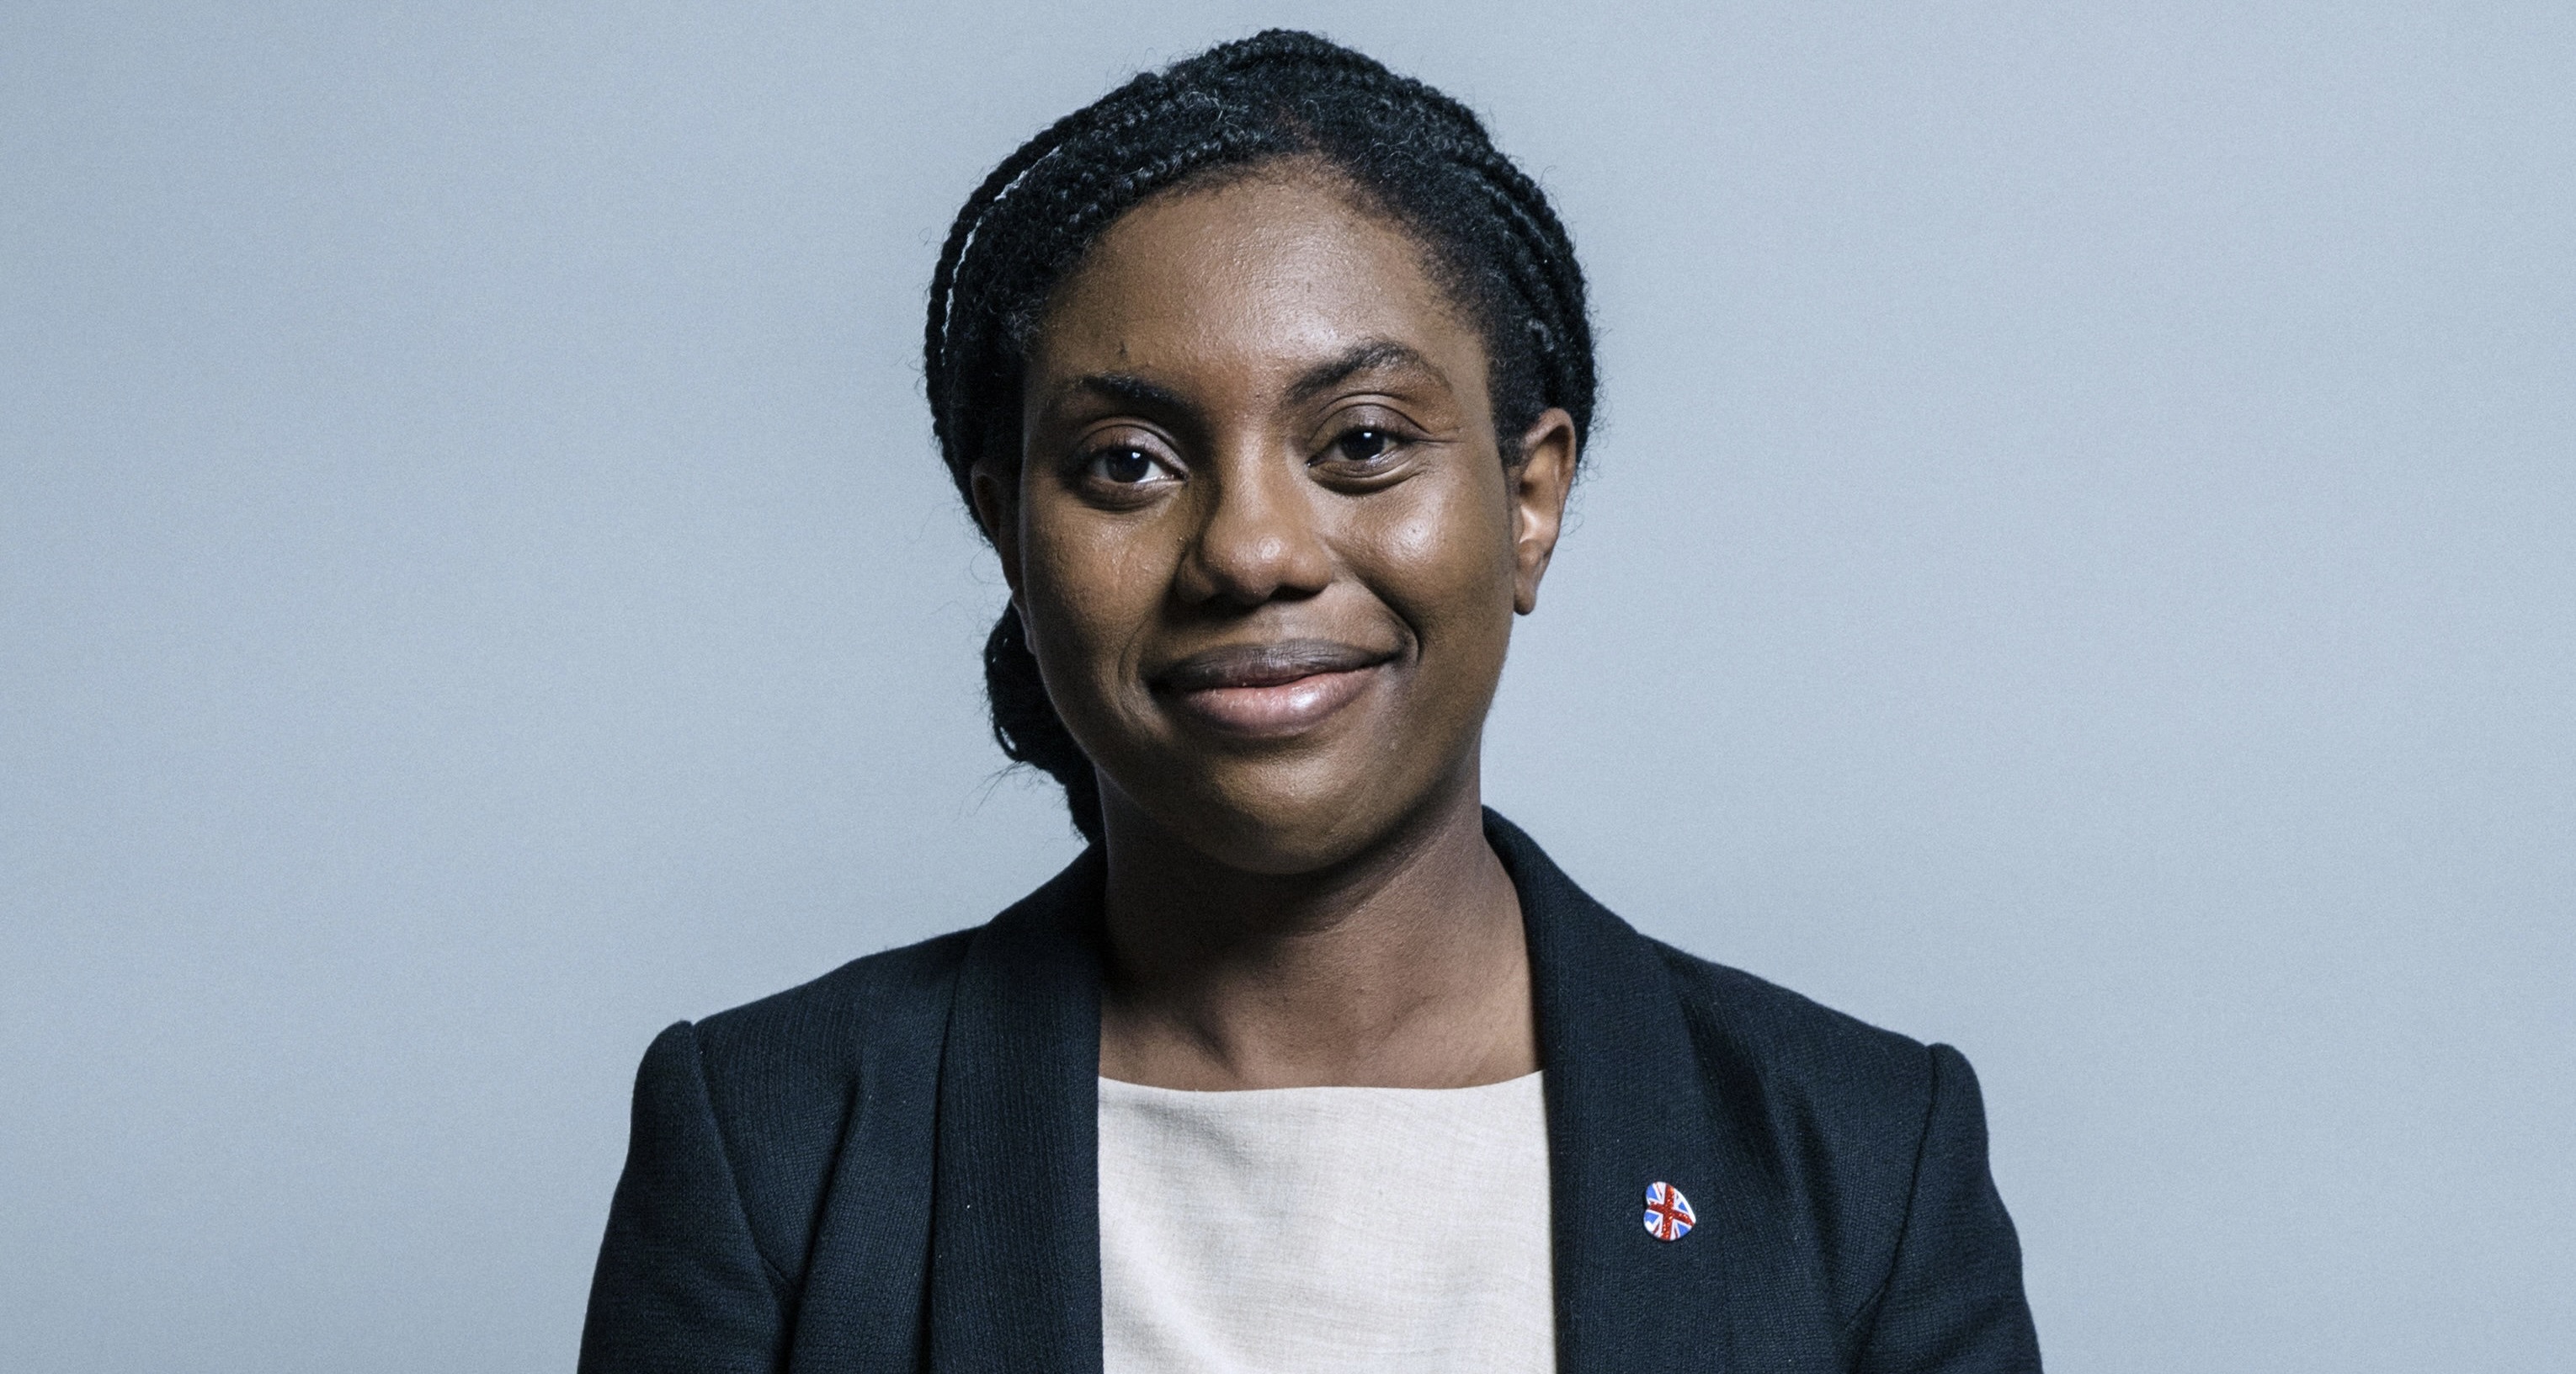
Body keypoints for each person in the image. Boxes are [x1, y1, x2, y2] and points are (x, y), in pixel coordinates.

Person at [580, 29, 2041, 1374]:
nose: (1252, 551)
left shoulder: (1862, 1165)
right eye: (1128, 463)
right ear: (1007, 533)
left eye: (1361, 442)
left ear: (1530, 502)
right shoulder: (771, 1150)